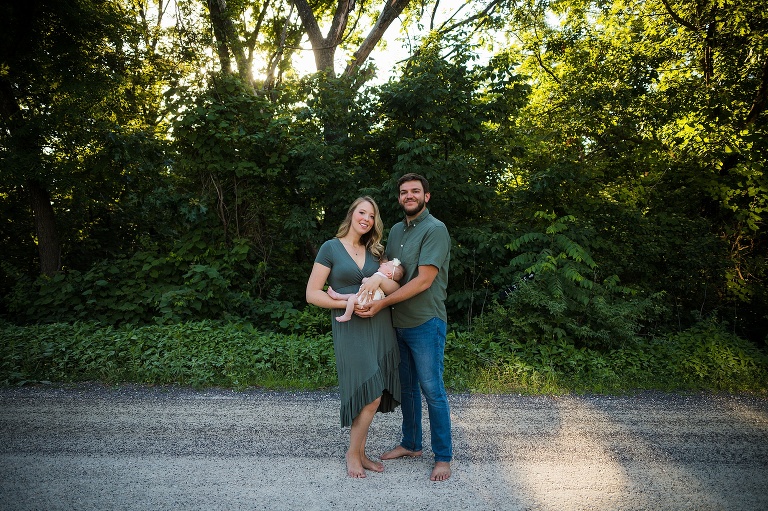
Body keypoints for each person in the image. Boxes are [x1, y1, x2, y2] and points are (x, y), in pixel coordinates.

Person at [355, 173, 453, 481]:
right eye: (403, 192)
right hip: (398, 323)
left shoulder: (435, 230)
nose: (408, 195)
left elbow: (424, 280)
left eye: (415, 191)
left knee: (432, 389)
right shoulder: (396, 230)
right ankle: (411, 444)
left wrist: (381, 303)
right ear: (399, 198)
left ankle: (443, 457)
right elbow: (388, 271)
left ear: (426, 196)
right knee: (407, 389)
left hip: (425, 322)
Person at [305, 196, 401, 478]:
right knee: (368, 394)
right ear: (352, 214)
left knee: (374, 392)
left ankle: (361, 453)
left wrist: (379, 281)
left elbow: (394, 286)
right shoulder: (330, 248)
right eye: (362, 212)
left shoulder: (375, 252)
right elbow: (312, 293)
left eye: (372, 216)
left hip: (379, 326)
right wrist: (345, 304)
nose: (367, 219)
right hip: (350, 328)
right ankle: (352, 454)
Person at [327, 258, 404, 322]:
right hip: (370, 299)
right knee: (353, 296)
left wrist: (364, 279)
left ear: (389, 274)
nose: (383, 264)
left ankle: (347, 315)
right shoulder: (386, 281)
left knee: (351, 299)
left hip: (367, 299)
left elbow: (367, 282)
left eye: (386, 264)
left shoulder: (379, 275)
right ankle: (338, 296)